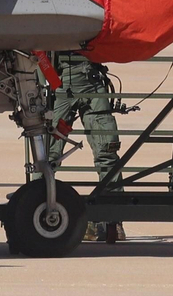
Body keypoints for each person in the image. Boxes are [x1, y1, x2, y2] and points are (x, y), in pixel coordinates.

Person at [48, 50, 126, 242]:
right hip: (63, 83)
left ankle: (113, 222)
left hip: (91, 81)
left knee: (106, 151)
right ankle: (40, 210)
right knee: (47, 155)